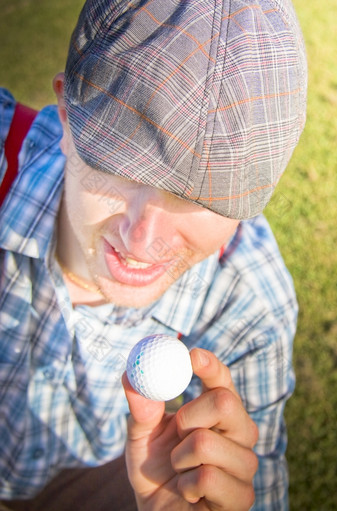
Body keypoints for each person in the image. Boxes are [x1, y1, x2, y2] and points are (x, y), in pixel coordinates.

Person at [0, 0, 307, 509]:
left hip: (98, 476)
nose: (141, 238)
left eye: (202, 197)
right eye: (120, 166)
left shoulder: (249, 304)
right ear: (66, 116)